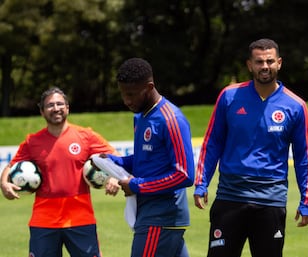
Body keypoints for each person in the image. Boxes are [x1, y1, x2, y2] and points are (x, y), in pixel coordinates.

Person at [194, 38, 308, 257]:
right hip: (230, 197)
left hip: (271, 201)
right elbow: (212, 143)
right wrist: (201, 183)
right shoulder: (229, 96)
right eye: (259, 62)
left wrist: (307, 201)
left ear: (279, 63)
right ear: (250, 65)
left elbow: (304, 157)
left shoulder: (296, 106)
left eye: (270, 61)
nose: (265, 66)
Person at [0, 87, 120, 257]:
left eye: (59, 104)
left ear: (67, 108)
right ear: (42, 111)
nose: (56, 108)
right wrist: (4, 183)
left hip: (81, 219)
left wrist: (114, 178)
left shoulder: (86, 136)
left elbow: (117, 158)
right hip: (44, 221)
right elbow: (10, 167)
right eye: (50, 105)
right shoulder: (32, 142)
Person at [103, 57, 195, 257]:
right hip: (152, 215)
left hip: (161, 216)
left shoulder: (171, 119)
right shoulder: (140, 117)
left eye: (131, 94)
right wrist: (117, 161)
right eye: (123, 94)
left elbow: (185, 175)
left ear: (149, 86)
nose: (127, 101)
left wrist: (136, 185)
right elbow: (147, 158)